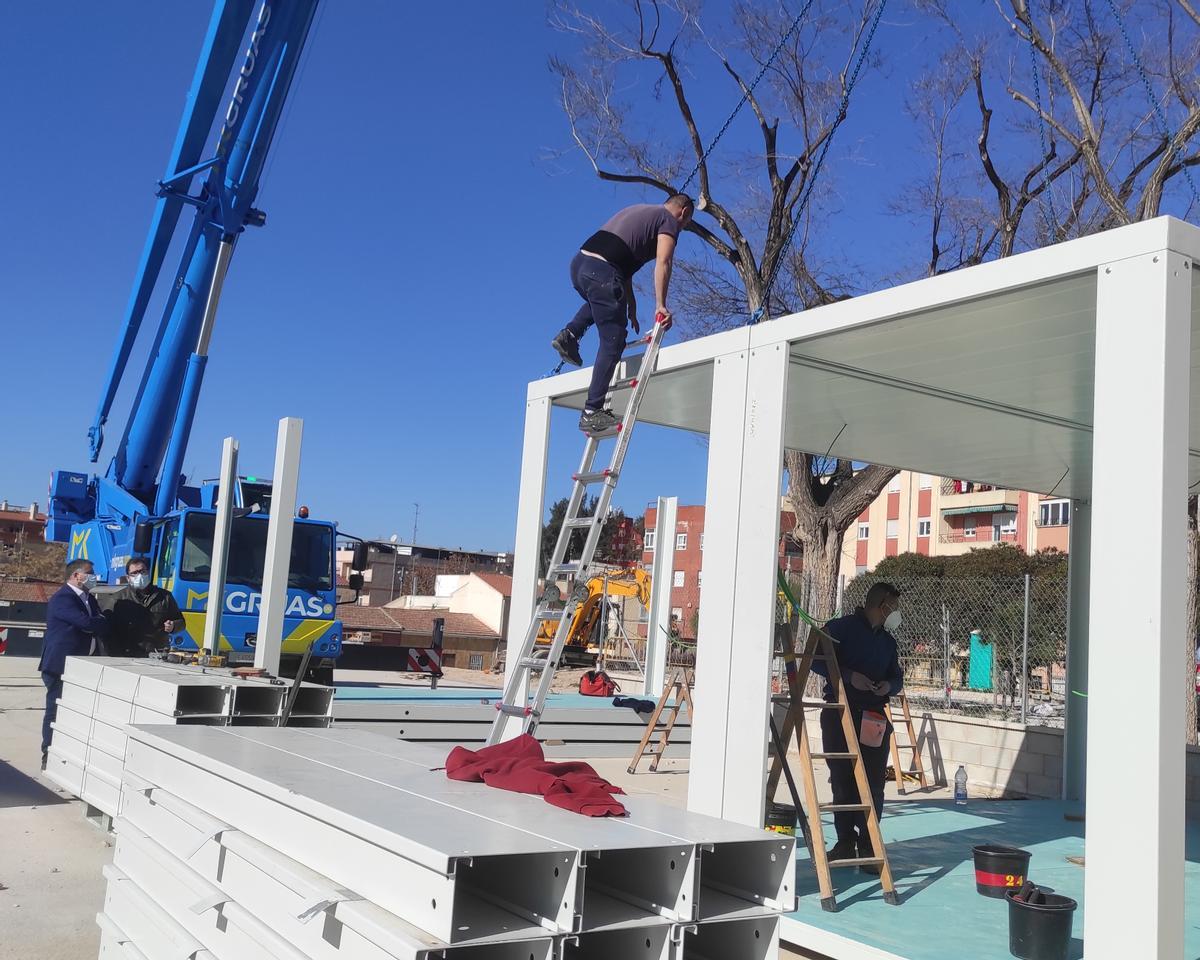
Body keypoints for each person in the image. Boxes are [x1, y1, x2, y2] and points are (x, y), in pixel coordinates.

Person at [551, 194, 694, 435]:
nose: (683, 227)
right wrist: (661, 305)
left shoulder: (641, 211)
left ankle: (571, 334)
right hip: (603, 272)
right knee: (614, 339)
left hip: (581, 265)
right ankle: (591, 410)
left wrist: (631, 305)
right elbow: (664, 261)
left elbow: (620, 266)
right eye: (686, 222)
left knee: (602, 298)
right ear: (684, 212)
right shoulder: (668, 220)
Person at [812, 582, 904, 871]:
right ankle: (844, 841)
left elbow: (897, 677)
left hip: (874, 716)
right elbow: (815, 658)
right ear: (881, 605)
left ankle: (868, 843)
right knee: (842, 779)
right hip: (841, 712)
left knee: (874, 784)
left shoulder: (888, 643)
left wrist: (888, 685)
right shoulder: (840, 629)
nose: (897, 613)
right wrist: (849, 676)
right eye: (894, 607)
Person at [39, 559, 109, 770]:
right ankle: (48, 753)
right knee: (55, 711)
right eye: (90, 572)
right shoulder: (63, 598)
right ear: (76, 576)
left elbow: (101, 623)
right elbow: (88, 623)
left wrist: (98, 623)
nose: (94, 575)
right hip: (61, 665)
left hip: (83, 666)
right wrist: (97, 623)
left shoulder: (89, 599)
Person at [104, 556, 183, 658]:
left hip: (157, 653)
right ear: (128, 577)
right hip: (127, 654)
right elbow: (107, 627)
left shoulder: (164, 597)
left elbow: (181, 621)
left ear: (148, 573)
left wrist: (173, 626)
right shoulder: (118, 599)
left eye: (142, 571)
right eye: (135, 573)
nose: (139, 575)